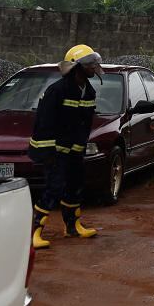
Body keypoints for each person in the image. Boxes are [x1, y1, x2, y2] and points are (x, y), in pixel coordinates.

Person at [29, 44, 104, 249]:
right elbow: (43, 123)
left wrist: (80, 147)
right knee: (54, 188)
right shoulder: (57, 91)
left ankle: (72, 227)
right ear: (76, 67)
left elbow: (85, 123)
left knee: (74, 186)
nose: (94, 68)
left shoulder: (88, 92)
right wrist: (48, 153)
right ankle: (34, 232)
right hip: (53, 151)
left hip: (74, 151)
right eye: (90, 65)